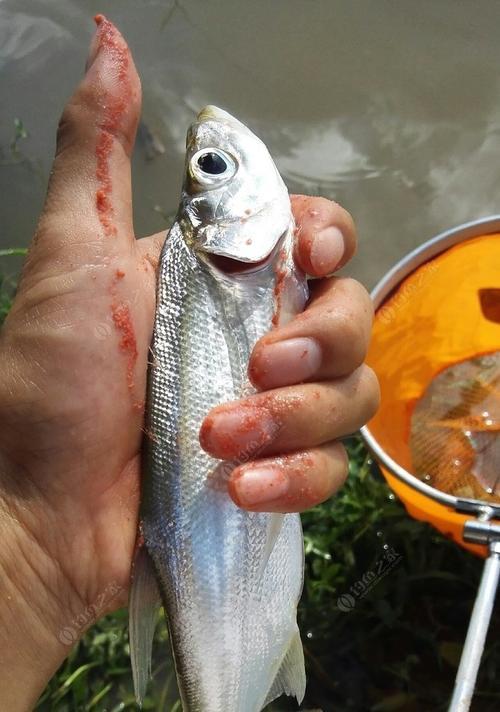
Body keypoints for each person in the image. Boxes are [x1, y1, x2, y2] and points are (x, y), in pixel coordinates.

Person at [0, 16, 379, 711]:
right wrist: (28, 537)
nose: (215, 152)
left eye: (210, 167)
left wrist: (31, 549)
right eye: (213, 168)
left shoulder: (225, 266)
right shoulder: (199, 265)